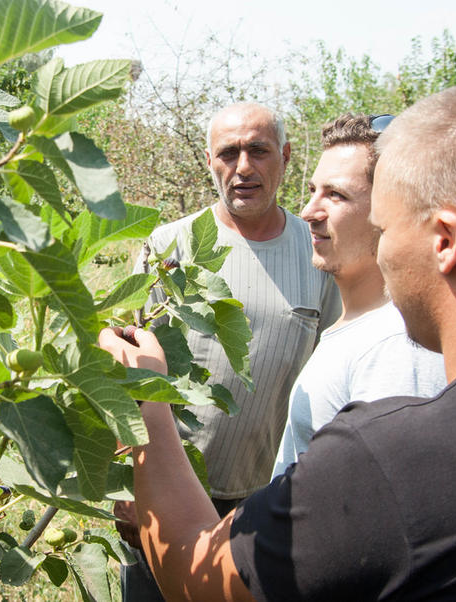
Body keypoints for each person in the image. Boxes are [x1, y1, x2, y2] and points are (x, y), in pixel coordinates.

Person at [99, 78, 456, 600]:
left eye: (386, 223)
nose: (313, 212)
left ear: (444, 242)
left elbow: (202, 578)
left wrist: (150, 407)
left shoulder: (381, 450)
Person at [118, 102, 341, 601]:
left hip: (267, 501)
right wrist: (128, 480)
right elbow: (125, 368)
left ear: (284, 156)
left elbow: (335, 368)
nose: (243, 167)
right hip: (164, 494)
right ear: (209, 160)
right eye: (229, 153)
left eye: (259, 151)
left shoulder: (318, 251)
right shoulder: (169, 246)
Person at [270, 113, 446, 478]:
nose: (308, 212)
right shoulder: (362, 330)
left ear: (391, 211)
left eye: (336, 195)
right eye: (314, 190)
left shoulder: (394, 347)